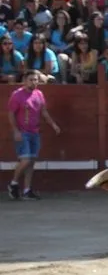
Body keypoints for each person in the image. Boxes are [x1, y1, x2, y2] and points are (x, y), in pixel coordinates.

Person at [7, 69, 61, 200]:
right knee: (26, 160)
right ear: (24, 81)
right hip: (23, 132)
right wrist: (15, 131)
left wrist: (53, 124)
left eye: (35, 80)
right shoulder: (17, 95)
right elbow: (11, 114)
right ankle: (13, 183)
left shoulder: (39, 94)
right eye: (30, 80)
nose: (33, 82)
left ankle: (27, 190)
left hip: (34, 132)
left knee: (31, 162)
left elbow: (44, 112)